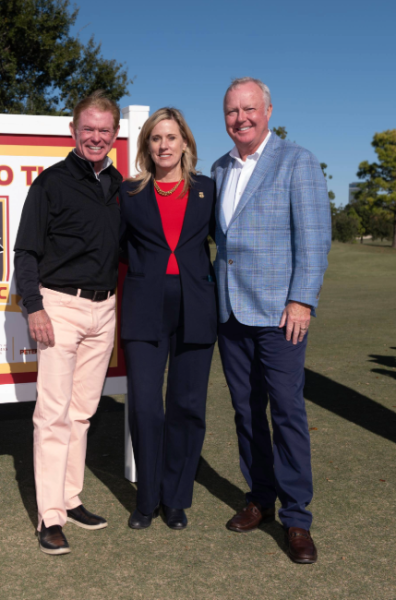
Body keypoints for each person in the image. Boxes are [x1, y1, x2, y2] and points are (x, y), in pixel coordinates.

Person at [211, 77, 331, 564]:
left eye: (249, 109)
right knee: (245, 410)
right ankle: (260, 497)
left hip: (281, 313)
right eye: (232, 111)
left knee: (286, 411)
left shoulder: (296, 161)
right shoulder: (219, 168)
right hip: (230, 311)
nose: (241, 118)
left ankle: (297, 517)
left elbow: (315, 236)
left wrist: (302, 299)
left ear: (268, 110)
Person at [14, 90, 123, 556]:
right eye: (89, 129)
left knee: (82, 413)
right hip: (59, 307)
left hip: (105, 309)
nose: (96, 136)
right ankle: (50, 516)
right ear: (73, 132)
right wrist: (34, 306)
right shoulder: (50, 183)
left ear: (114, 134)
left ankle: (70, 498)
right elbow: (26, 251)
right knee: (53, 415)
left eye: (104, 130)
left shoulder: (121, 185)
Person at [119, 108, 217, 531]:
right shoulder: (129, 193)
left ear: (185, 144)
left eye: (172, 137)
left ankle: (176, 499)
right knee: (145, 406)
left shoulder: (207, 191)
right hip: (144, 309)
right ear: (146, 146)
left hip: (196, 308)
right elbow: (120, 248)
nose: (164, 145)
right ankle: (147, 500)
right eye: (156, 138)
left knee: (187, 406)